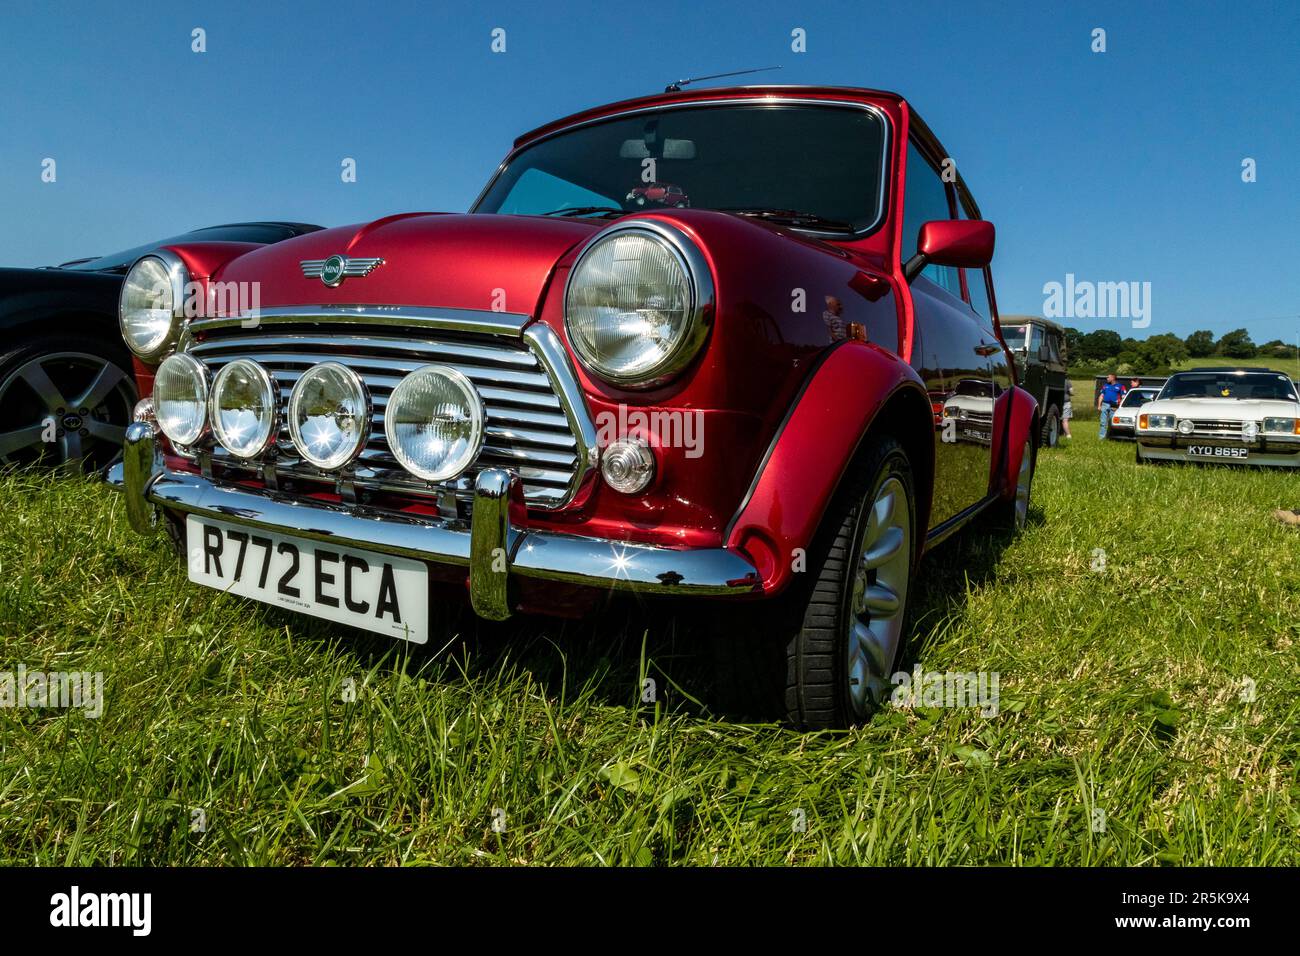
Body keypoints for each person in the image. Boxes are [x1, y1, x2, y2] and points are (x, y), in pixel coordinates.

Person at [1098, 373, 1126, 439]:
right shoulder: (1105, 385)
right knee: (1103, 422)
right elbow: (1101, 395)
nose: (1107, 378)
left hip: (1114, 406)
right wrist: (1099, 405)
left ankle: (1110, 437)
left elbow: (1123, 397)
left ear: (1113, 378)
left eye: (1108, 377)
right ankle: (1101, 438)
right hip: (1105, 404)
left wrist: (1119, 406)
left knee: (1112, 422)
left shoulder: (1120, 386)